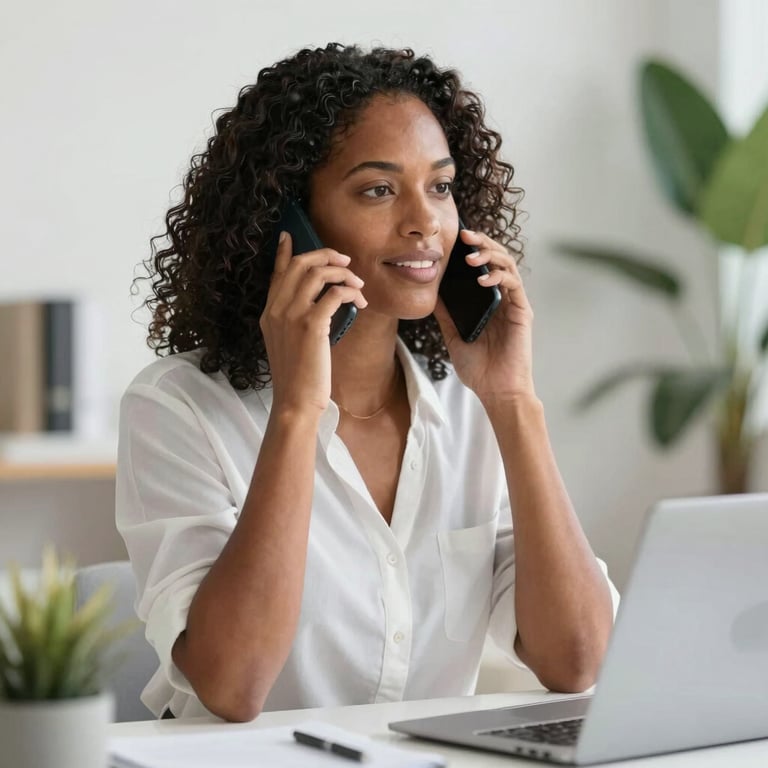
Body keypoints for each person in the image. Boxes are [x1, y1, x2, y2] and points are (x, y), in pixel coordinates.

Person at [116, 43, 619, 723]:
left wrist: (513, 402)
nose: (424, 224)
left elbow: (577, 659)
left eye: (439, 187)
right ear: (288, 224)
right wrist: (297, 409)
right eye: (378, 189)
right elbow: (231, 687)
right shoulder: (178, 406)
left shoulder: (468, 412)